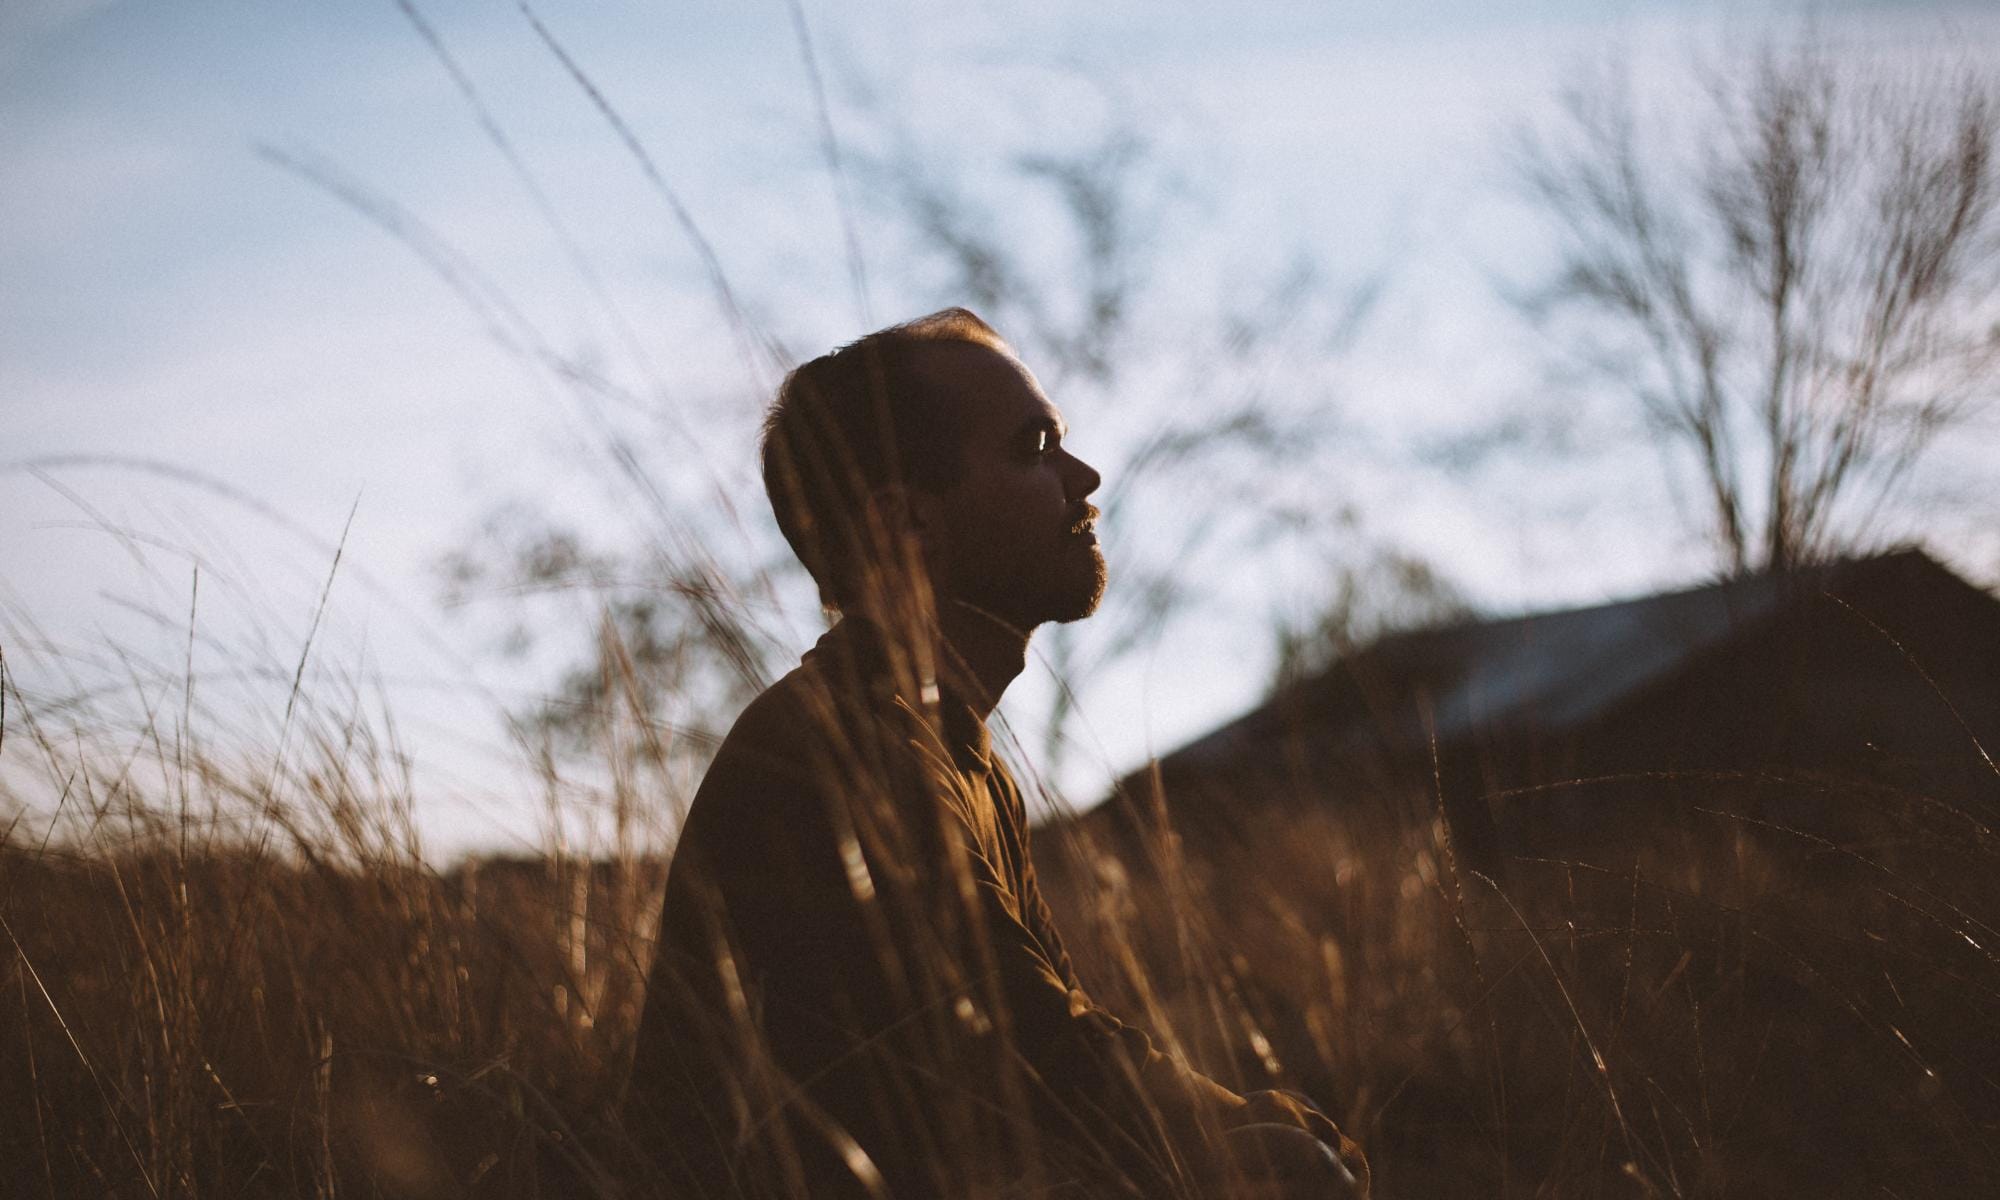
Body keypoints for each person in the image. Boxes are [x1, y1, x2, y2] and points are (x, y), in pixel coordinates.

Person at [623, 309, 1368, 1198]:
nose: (1084, 478)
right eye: (1036, 447)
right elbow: (1036, 1054)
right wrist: (1252, 1139)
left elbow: (1059, 1025)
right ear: (906, 523)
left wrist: (1246, 1118)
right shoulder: (848, 752)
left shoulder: (962, 757)